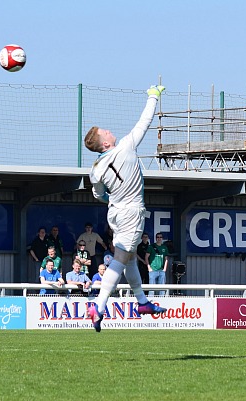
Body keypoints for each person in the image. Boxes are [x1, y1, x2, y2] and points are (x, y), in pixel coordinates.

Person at [84, 84, 169, 332]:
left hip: (115, 213)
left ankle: (142, 302)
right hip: (132, 212)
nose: (110, 131)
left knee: (130, 257)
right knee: (122, 258)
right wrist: (153, 96)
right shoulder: (126, 146)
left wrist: (110, 196)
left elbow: (98, 194)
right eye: (106, 132)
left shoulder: (96, 170)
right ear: (105, 143)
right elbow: (145, 121)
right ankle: (98, 306)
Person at [146, 232, 169, 297]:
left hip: (161, 270)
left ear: (162, 238)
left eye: (160, 237)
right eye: (157, 237)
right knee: (151, 288)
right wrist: (149, 268)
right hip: (153, 270)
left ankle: (162, 300)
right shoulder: (151, 247)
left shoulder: (164, 247)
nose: (159, 238)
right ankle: (151, 300)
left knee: (162, 288)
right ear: (156, 238)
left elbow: (166, 259)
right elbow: (146, 257)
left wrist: (164, 269)